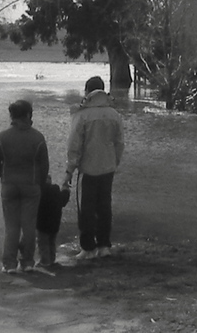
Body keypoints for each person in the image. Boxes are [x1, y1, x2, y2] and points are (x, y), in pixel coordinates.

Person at [63, 76, 124, 261]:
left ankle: (87, 247)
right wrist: (114, 163)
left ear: (87, 92)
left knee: (86, 208)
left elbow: (74, 145)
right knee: (105, 206)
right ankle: (104, 245)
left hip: (87, 169)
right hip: (108, 168)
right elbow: (119, 143)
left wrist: (69, 171)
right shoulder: (114, 115)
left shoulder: (82, 115)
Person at [0, 99, 49, 273]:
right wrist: (40, 183)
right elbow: (44, 167)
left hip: (9, 186)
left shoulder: (2, 137)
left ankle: (9, 264)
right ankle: (28, 262)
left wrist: (4, 174)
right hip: (31, 186)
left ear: (12, 116)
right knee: (29, 225)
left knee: (11, 226)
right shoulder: (38, 137)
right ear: (28, 115)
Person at [36, 174, 70, 268]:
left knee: (43, 244)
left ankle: (45, 261)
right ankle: (52, 259)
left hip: (42, 224)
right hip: (54, 224)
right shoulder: (56, 191)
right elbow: (64, 200)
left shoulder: (39, 192)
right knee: (51, 243)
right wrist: (66, 189)